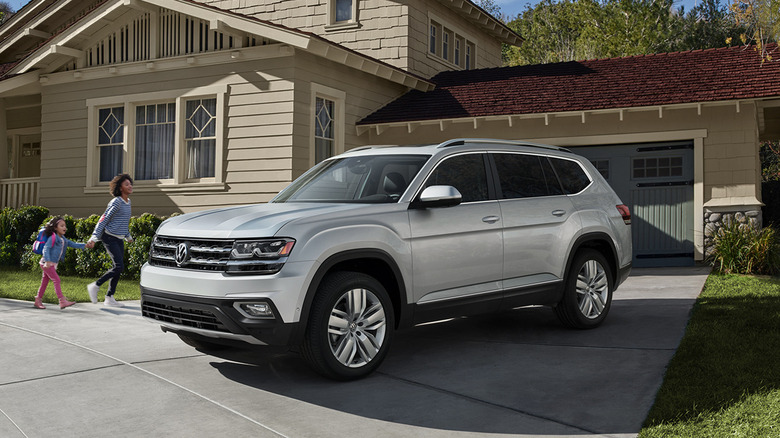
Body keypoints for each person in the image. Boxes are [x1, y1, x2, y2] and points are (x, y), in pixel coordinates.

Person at [87, 173, 133, 307]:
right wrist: (94, 238)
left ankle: (109, 297)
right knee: (119, 266)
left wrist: (127, 236)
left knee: (117, 268)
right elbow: (103, 219)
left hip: (119, 238)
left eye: (130, 184)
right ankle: (95, 285)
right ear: (120, 188)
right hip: (109, 237)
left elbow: (123, 222)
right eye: (126, 184)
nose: (130, 186)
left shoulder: (128, 202)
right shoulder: (116, 202)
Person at [34, 217, 95, 309]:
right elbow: (46, 248)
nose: (64, 227)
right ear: (55, 228)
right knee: (57, 280)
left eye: (65, 226)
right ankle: (62, 301)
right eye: (61, 226)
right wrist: (47, 261)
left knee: (45, 282)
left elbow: (73, 244)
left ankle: (38, 300)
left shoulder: (63, 239)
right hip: (46, 263)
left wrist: (85, 245)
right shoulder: (53, 237)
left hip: (51, 264)